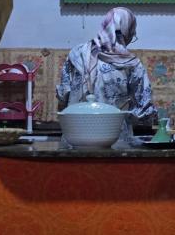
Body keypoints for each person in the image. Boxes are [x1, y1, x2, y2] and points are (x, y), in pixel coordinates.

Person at [56, 7, 155, 137]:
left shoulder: (77, 53)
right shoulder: (132, 64)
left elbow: (63, 94)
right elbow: (143, 109)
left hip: (75, 134)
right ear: (127, 31)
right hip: (113, 137)